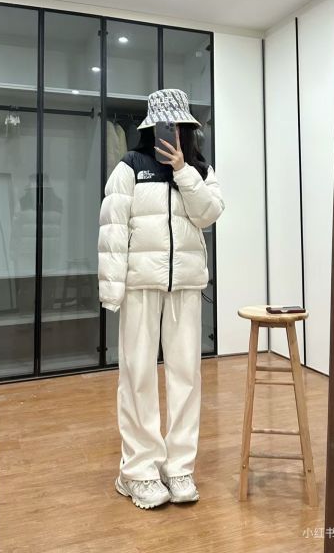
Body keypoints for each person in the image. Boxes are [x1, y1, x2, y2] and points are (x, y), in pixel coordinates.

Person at [98, 88, 225, 510]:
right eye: (162, 126)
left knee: (186, 376)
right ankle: (138, 470)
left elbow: (208, 214)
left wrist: (184, 170)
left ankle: (179, 467)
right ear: (151, 128)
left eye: (176, 125)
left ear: (186, 127)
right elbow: (112, 231)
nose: (169, 132)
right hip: (141, 285)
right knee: (137, 375)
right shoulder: (130, 167)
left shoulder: (200, 170)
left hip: (185, 285)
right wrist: (111, 289)